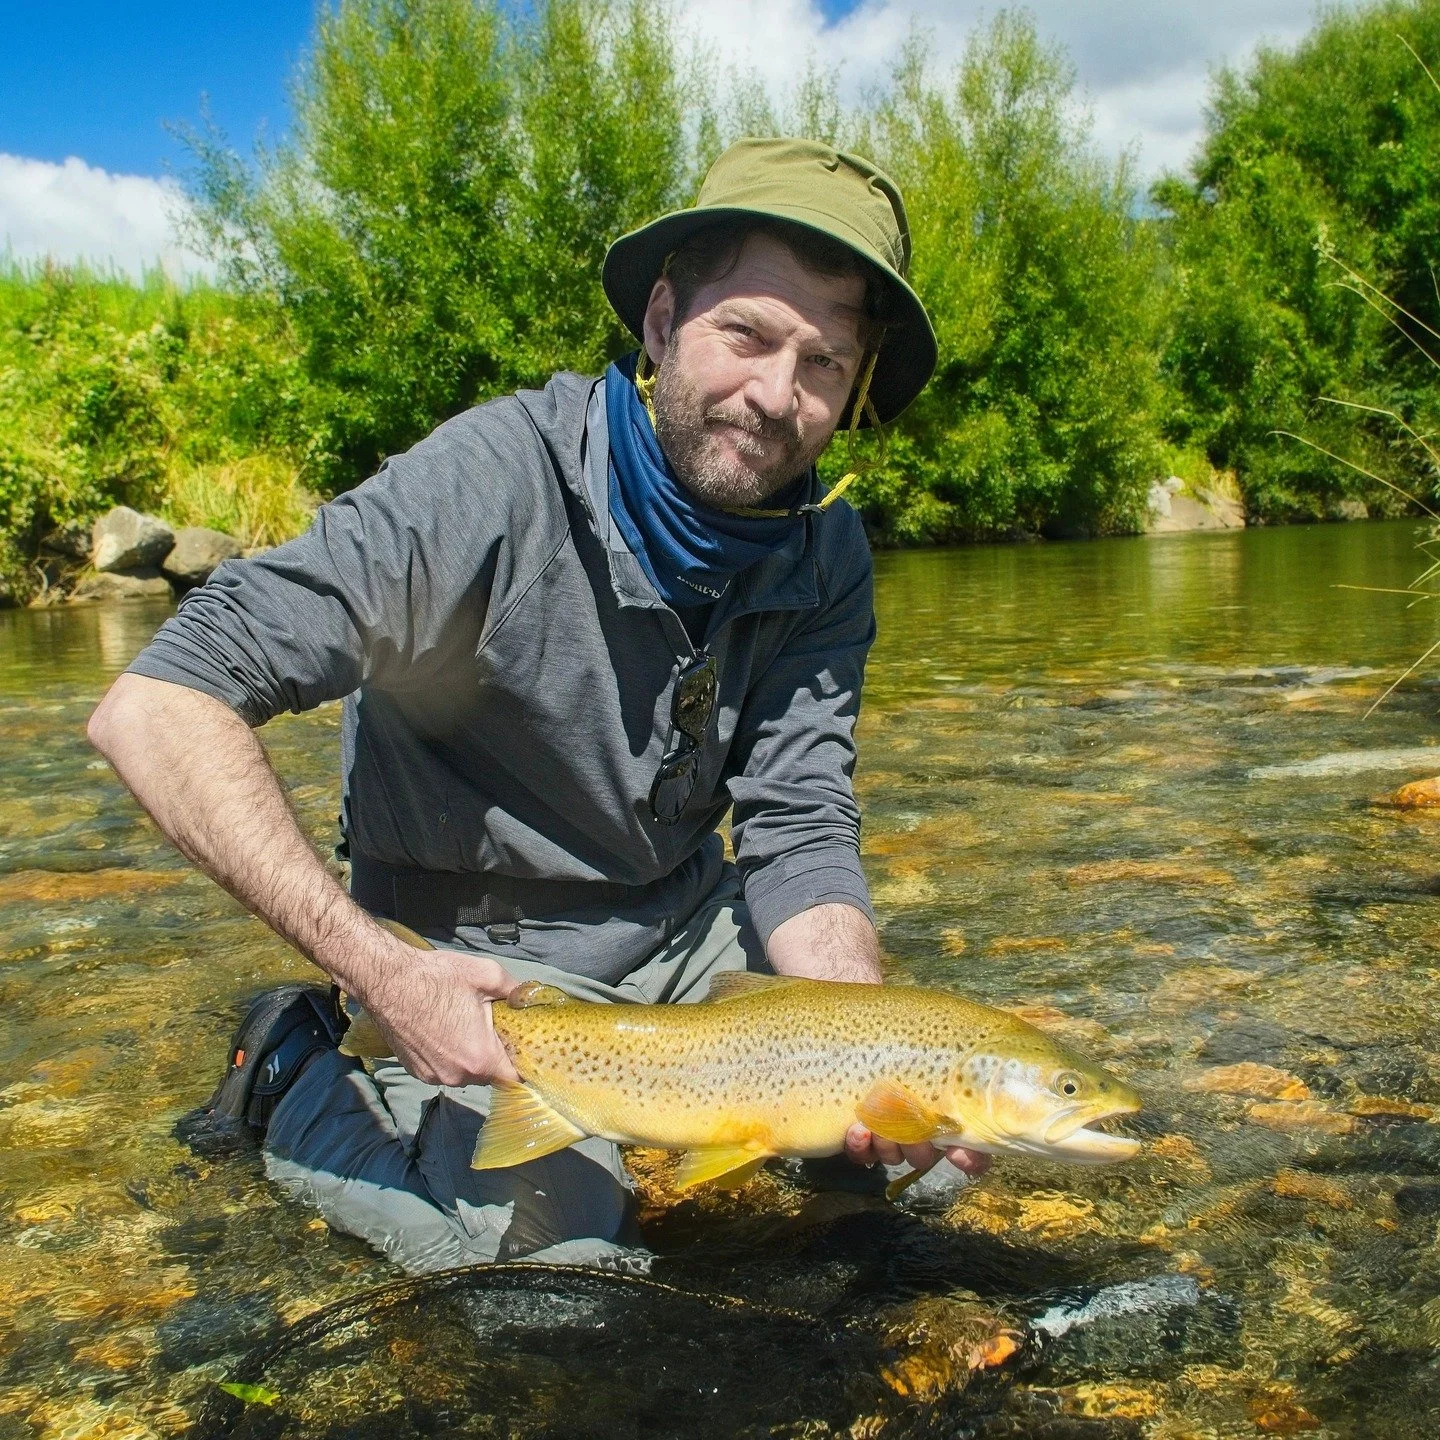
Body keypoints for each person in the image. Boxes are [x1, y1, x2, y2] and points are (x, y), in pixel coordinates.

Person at [87, 136, 987, 1274]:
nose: (775, 396)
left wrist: (867, 1040)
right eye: (747, 335)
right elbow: (158, 702)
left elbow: (798, 822)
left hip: (680, 930)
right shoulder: (488, 486)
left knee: (908, 1172)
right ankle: (294, 1070)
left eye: (824, 363)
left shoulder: (824, 549)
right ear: (661, 323)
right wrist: (384, 970)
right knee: (559, 1278)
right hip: (479, 959)